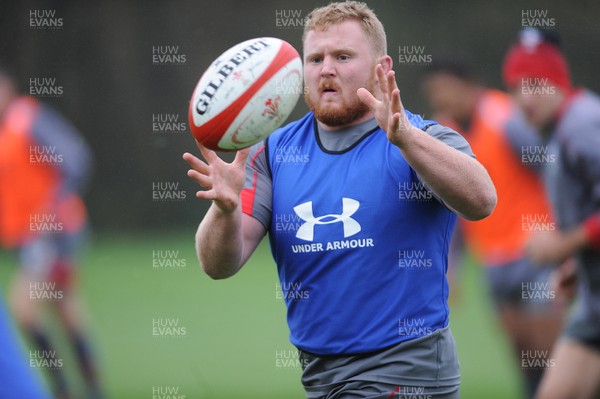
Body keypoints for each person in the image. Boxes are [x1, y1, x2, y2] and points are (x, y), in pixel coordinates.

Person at [184, 2, 496, 398]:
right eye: (315, 58)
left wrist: (407, 142)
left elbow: (482, 200)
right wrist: (224, 210)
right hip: (320, 376)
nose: (326, 69)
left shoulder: (421, 136)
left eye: (342, 56)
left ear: (381, 67)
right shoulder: (273, 154)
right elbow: (217, 265)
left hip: (406, 370)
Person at [422, 59, 566, 398]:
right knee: (523, 354)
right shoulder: (443, 133)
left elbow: (552, 171)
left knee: (550, 352)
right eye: (433, 92)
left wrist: (563, 236)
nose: (439, 97)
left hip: (534, 251)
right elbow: (452, 207)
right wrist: (450, 265)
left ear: (468, 86)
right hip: (492, 259)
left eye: (444, 89)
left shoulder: (504, 118)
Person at [502, 28, 600, 399]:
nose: (526, 97)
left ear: (559, 83)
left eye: (537, 83)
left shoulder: (582, 124)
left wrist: (561, 246)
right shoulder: (556, 132)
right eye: (517, 86)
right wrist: (578, 267)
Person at [0, 64, 103, 399]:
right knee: (66, 310)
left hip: (55, 235)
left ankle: (62, 390)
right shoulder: (6, 131)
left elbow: (75, 158)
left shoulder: (29, 120)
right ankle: (91, 390)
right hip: (31, 239)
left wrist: (50, 209)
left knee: (23, 309)